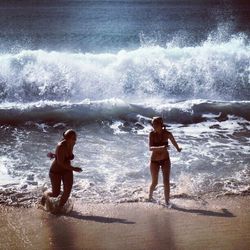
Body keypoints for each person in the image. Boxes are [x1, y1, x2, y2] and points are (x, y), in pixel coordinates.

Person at [42, 129, 82, 213]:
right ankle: (45, 195)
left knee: (68, 190)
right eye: (73, 138)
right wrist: (74, 168)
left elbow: (65, 156)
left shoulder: (72, 143)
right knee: (55, 193)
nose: (75, 140)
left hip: (67, 169)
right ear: (66, 138)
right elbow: (60, 163)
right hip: (56, 171)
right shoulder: (60, 146)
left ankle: (59, 208)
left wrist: (56, 155)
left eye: (75, 137)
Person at [149, 117, 181, 205]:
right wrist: (161, 147)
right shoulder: (152, 134)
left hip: (165, 160)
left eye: (156, 124)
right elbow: (150, 148)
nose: (154, 126)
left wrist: (178, 148)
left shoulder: (167, 134)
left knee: (166, 181)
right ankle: (150, 198)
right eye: (153, 124)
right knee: (154, 182)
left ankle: (167, 202)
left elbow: (174, 141)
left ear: (161, 125)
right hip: (154, 161)